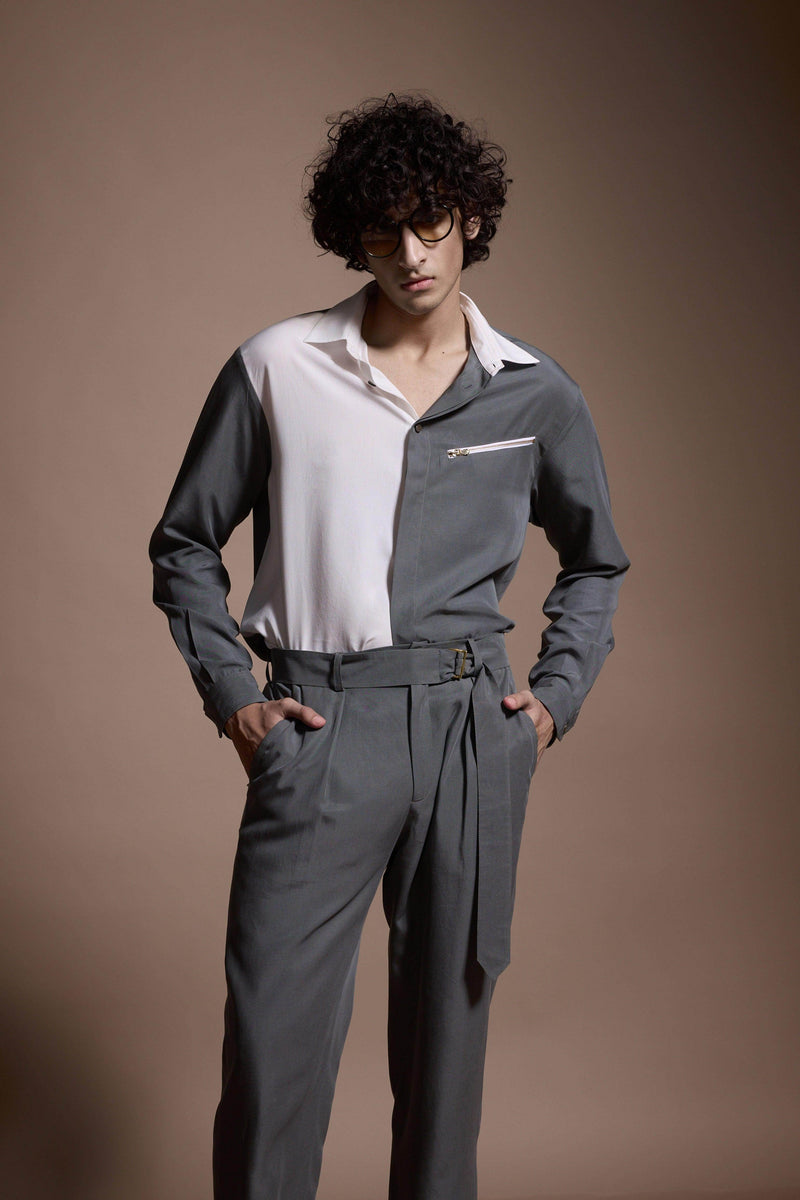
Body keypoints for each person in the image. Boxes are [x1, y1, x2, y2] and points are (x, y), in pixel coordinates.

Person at [149, 93, 629, 1200]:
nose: (410, 254)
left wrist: (553, 699)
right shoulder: (278, 366)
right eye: (383, 230)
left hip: (471, 734)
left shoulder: (533, 393)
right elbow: (184, 543)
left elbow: (596, 561)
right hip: (320, 729)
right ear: (351, 237)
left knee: (447, 1054)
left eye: (430, 223)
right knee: (272, 1045)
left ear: (470, 218)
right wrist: (235, 698)